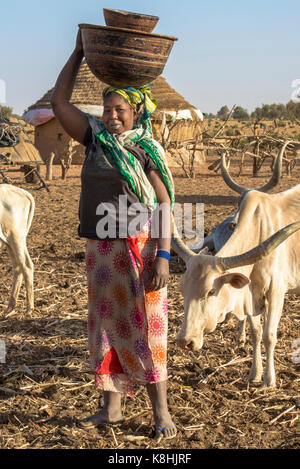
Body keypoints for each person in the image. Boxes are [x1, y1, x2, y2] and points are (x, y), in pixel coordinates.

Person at [51, 30, 177, 441]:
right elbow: (59, 104)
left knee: (149, 328)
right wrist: (76, 53)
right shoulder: (94, 140)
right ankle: (112, 410)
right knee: (105, 325)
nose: (112, 116)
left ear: (137, 112)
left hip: (139, 247)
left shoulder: (145, 148)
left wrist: (163, 256)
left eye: (120, 109)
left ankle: (162, 415)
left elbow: (163, 203)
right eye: (107, 109)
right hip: (100, 248)